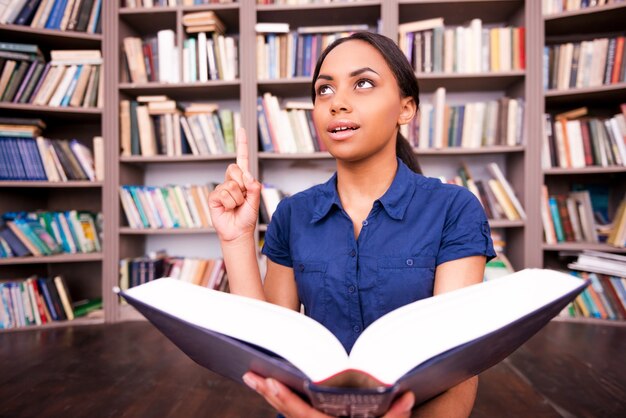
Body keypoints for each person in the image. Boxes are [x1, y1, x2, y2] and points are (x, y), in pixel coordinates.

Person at [208, 32, 496, 417]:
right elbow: (271, 349)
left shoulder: (454, 209)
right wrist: (237, 237)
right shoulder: (292, 214)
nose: (337, 103)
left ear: (406, 108)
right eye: (324, 90)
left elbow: (458, 366)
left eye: (363, 84)